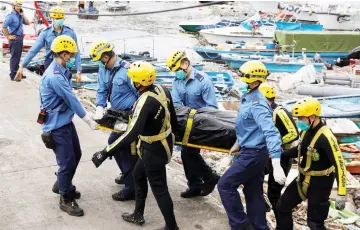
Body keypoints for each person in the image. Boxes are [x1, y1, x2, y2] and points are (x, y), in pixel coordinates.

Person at [91, 61, 179, 230]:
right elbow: (172, 116)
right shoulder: (162, 89)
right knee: (138, 174)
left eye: (132, 79)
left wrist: (105, 152)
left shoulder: (144, 102)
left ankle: (172, 226)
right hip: (163, 143)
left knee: (160, 189)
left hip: (153, 150)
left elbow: (131, 133)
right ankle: (138, 214)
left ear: (138, 82)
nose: (131, 81)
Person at [217, 60, 286, 230]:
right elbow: (249, 126)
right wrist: (238, 142)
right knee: (253, 192)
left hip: (254, 154)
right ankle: (260, 227)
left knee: (225, 185)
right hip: (251, 150)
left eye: (244, 80)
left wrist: (276, 163)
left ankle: (241, 225)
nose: (241, 83)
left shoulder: (258, 104)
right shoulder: (248, 98)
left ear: (254, 82)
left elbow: (271, 132)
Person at [39, 35, 98, 216]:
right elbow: (71, 99)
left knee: (76, 154)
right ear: (63, 54)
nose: (72, 58)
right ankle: (65, 197)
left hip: (64, 121)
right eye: (70, 55)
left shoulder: (61, 69)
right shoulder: (55, 76)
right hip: (57, 125)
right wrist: (88, 119)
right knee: (67, 162)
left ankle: (61, 184)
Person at [276, 97, 347, 230]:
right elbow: (301, 150)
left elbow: (340, 165)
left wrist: (341, 193)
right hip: (302, 179)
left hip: (321, 183)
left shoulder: (327, 137)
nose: (299, 122)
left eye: (301, 118)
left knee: (314, 223)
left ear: (313, 117)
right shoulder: (305, 131)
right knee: (282, 206)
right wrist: (280, 154)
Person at [166, 50, 220, 198]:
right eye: (174, 71)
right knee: (186, 155)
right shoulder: (177, 82)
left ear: (186, 63)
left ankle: (207, 178)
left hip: (200, 124)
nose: (177, 73)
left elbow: (212, 108)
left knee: (188, 153)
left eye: (177, 69)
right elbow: (176, 104)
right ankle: (197, 184)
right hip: (184, 123)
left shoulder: (204, 81)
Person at [90, 40, 138, 201]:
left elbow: (140, 94)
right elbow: (102, 90)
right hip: (116, 115)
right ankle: (128, 177)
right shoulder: (103, 69)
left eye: (100, 60)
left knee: (116, 145)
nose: (100, 64)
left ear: (105, 57)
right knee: (120, 148)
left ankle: (131, 187)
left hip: (130, 115)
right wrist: (99, 107)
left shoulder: (128, 70)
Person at [259, 84, 299, 216]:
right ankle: (263, 205)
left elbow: (293, 133)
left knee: (274, 192)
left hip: (282, 156)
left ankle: (280, 219)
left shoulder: (280, 112)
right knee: (254, 176)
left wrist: (276, 144)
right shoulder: (266, 111)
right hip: (270, 154)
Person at [17, 7, 82, 82]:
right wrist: (22, 65)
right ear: (52, 19)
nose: (59, 20)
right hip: (50, 61)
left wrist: (78, 70)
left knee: (65, 83)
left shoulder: (70, 33)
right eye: (57, 19)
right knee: (50, 84)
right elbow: (34, 50)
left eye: (61, 18)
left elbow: (76, 51)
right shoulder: (45, 33)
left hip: (65, 62)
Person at [2, 0, 30, 81]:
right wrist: (8, 36)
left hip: (20, 37)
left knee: (18, 57)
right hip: (14, 38)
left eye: (20, 5)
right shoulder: (10, 16)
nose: (19, 7)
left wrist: (23, 15)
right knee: (14, 57)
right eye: (17, 5)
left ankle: (18, 73)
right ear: (13, 6)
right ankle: (13, 75)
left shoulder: (20, 15)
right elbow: (4, 26)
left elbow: (28, 23)